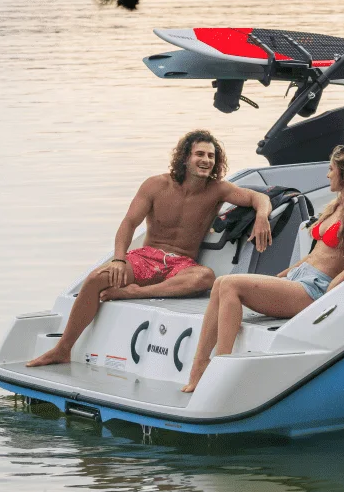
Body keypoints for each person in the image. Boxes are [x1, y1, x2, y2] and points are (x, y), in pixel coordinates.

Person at [27, 130, 273, 367]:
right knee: (95, 279)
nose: (206, 160)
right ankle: (63, 349)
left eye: (211, 156)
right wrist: (119, 259)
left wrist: (262, 217)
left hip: (181, 265)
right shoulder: (156, 185)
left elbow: (259, 198)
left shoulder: (218, 189)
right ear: (185, 157)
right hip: (146, 257)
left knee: (205, 277)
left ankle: (133, 293)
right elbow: (129, 223)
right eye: (200, 154)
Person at [182, 144, 344, 392]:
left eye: (332, 169)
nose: (328, 174)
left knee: (231, 285)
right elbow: (320, 251)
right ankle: (200, 365)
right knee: (220, 284)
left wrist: (335, 284)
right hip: (299, 278)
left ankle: (220, 370)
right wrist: (293, 269)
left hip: (315, 289)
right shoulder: (337, 205)